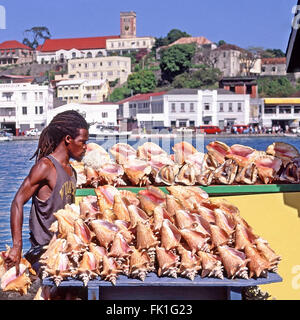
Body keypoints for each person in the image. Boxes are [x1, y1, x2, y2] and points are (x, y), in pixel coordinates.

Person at [5, 110, 89, 275]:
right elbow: (17, 202)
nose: (85, 147)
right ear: (68, 139)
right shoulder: (46, 167)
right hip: (43, 251)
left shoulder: (72, 171)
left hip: (66, 249)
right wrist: (17, 246)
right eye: (82, 142)